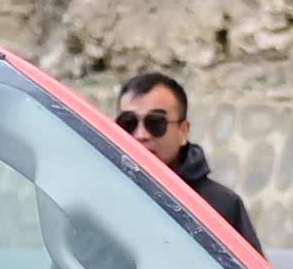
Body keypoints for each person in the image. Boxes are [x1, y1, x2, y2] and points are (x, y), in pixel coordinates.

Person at [108, 69, 257, 249]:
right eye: (128, 123)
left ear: (183, 131)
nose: (141, 135)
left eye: (155, 123)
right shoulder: (101, 194)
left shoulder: (221, 206)